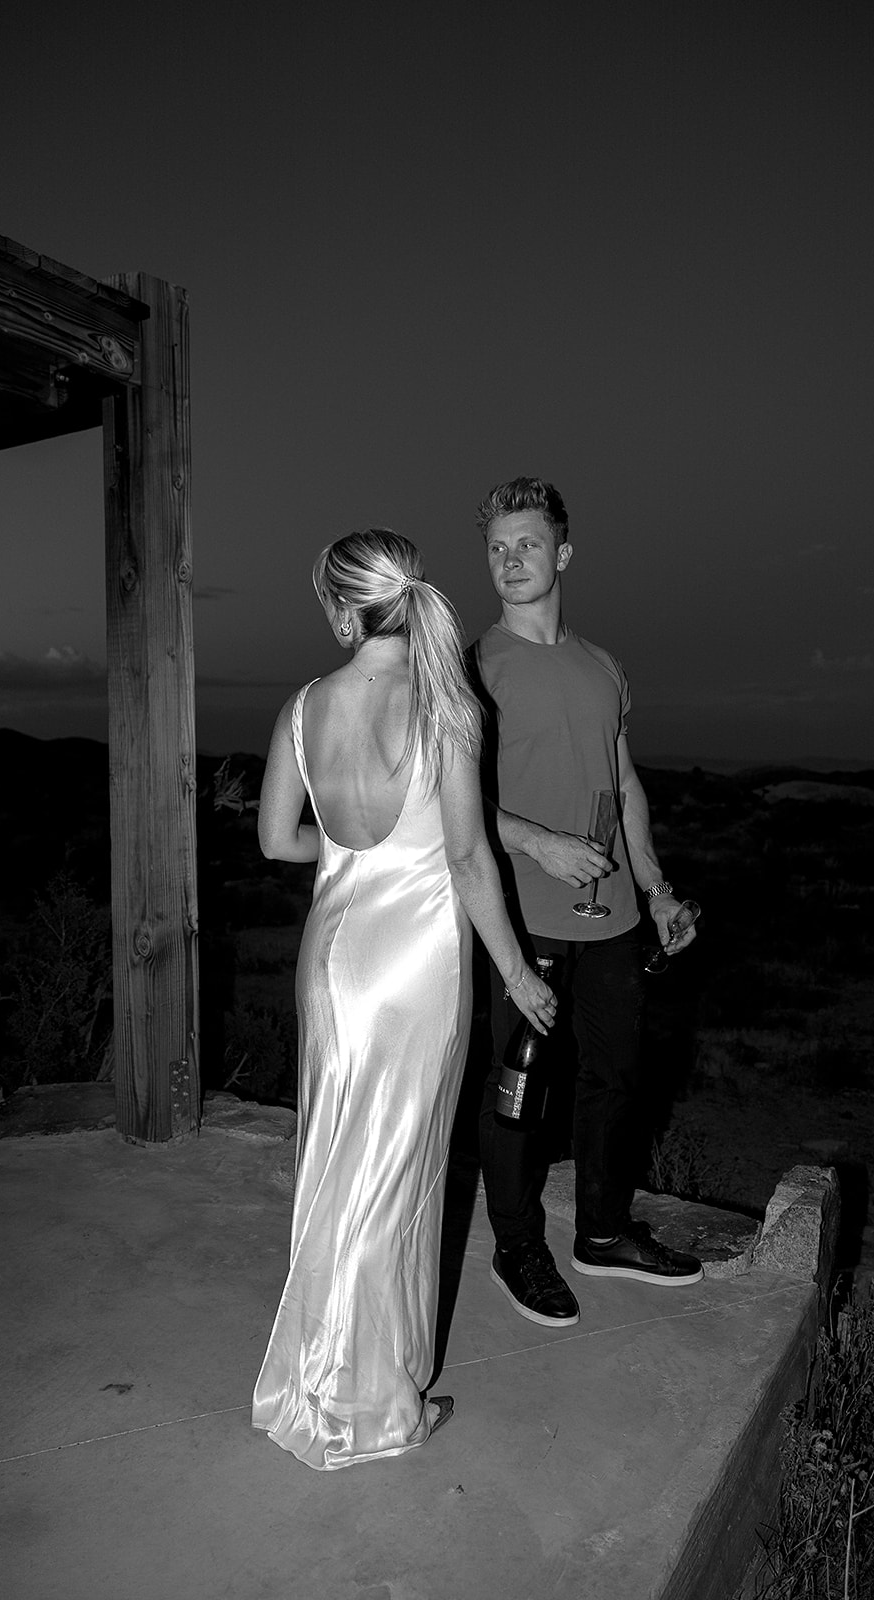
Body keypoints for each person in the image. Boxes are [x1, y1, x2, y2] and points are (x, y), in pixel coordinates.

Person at [251, 529, 555, 1470]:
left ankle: (310, 1381)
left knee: (335, 1168)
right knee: (398, 1180)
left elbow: (275, 843)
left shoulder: (303, 707)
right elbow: (467, 859)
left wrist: (349, 860)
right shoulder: (445, 707)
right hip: (417, 970)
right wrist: (514, 972)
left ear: (343, 610)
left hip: (333, 962)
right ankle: (380, 1410)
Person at [469, 477, 703, 1329]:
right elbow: (444, 803)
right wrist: (538, 841)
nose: (510, 560)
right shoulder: (472, 668)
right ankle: (514, 1245)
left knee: (615, 1081)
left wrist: (657, 888)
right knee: (519, 1093)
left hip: (614, 920)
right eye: (496, 547)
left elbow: (625, 781)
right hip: (520, 917)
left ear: (562, 553)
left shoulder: (603, 666)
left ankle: (601, 1233)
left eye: (526, 544)